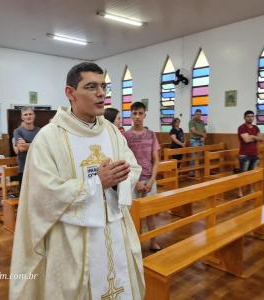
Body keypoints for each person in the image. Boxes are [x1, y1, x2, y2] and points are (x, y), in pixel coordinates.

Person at [10, 62, 144, 300]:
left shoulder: (112, 133)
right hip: (73, 240)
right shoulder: (49, 138)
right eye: (91, 87)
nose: (101, 93)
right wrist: (96, 183)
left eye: (103, 86)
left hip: (114, 231)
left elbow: (132, 168)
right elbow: (43, 195)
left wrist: (116, 180)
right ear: (70, 93)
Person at [123, 102, 161, 251]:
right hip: (133, 181)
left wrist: (152, 179)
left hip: (149, 179)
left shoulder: (151, 135)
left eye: (140, 113)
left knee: (150, 212)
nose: (137, 116)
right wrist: (136, 181)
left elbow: (156, 159)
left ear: (145, 114)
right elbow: (124, 160)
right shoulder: (126, 136)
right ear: (131, 115)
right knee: (133, 214)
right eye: (134, 113)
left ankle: (153, 241)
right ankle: (135, 243)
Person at [238, 110, 264, 196]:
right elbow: (246, 140)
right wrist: (255, 137)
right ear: (245, 117)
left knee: (252, 174)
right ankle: (240, 192)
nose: (250, 118)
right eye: (248, 116)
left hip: (254, 154)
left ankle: (251, 190)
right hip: (244, 155)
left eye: (252, 116)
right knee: (243, 174)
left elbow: (262, 139)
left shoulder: (256, 128)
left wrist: (252, 136)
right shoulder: (242, 127)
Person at [13, 108, 40, 187]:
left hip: (38, 168)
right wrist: (37, 145)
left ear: (34, 116)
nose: (28, 116)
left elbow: (44, 147)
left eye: (30, 114)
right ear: (22, 117)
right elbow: (21, 148)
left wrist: (27, 145)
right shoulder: (18, 131)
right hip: (24, 169)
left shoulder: (40, 131)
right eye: (25, 114)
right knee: (24, 198)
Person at [188, 108, 207, 175]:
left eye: (200, 114)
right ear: (195, 114)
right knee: (194, 156)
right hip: (194, 140)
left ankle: (197, 170)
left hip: (201, 140)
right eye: (197, 114)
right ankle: (191, 172)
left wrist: (204, 136)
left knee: (199, 156)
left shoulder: (201, 122)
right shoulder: (191, 121)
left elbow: (204, 130)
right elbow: (194, 131)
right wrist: (202, 134)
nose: (199, 116)